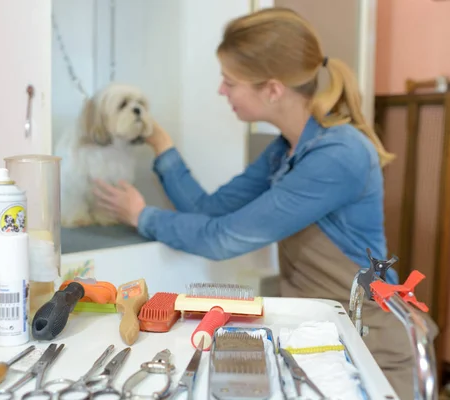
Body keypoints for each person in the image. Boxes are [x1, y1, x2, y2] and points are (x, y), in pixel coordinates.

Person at [95, 7, 423, 399]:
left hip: (371, 344)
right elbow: (211, 209)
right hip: (319, 332)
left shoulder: (338, 155)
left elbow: (222, 238)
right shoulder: (284, 150)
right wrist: (162, 145)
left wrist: (141, 215)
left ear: (271, 89)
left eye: (229, 81)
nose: (221, 91)